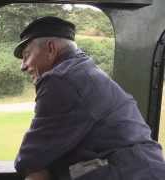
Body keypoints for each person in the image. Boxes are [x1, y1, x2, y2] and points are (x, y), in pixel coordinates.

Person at [14, 16, 165, 180]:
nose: (23, 66)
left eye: (27, 55)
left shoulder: (62, 80)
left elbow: (32, 158)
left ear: (51, 49)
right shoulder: (81, 70)